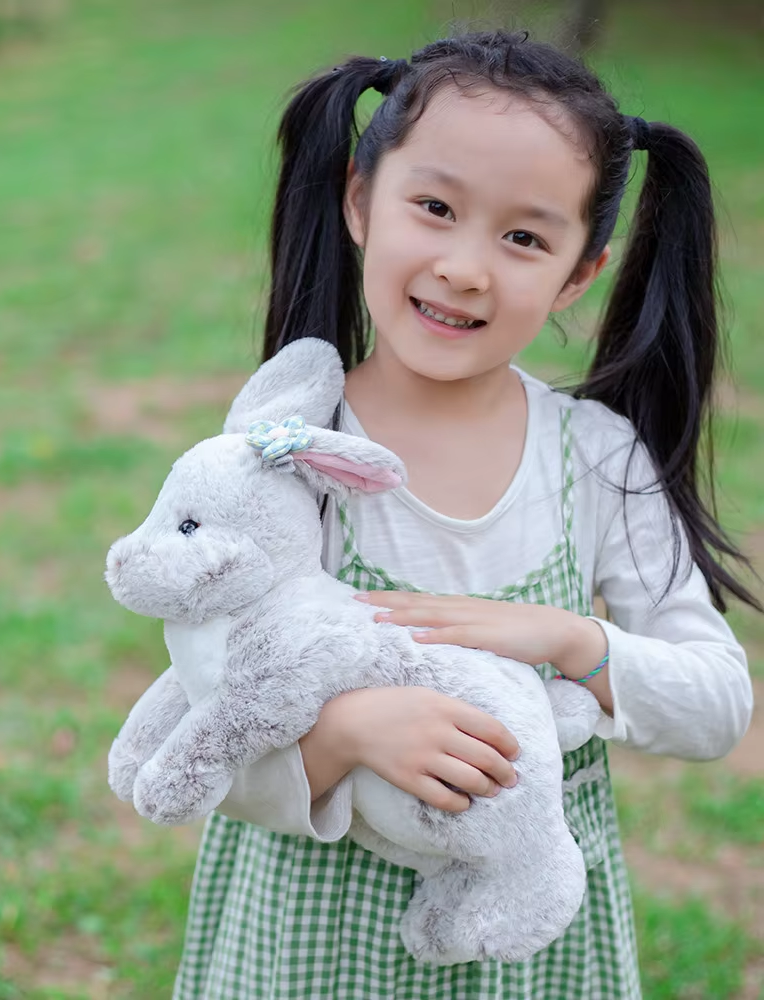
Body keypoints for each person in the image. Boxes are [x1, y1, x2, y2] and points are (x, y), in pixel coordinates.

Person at [171, 30, 756, 1000]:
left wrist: (571, 640)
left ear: (580, 271)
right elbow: (205, 724)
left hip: (528, 956)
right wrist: (345, 734)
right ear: (361, 199)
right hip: (308, 949)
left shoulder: (596, 460)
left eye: (523, 237)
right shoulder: (283, 454)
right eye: (434, 208)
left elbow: (715, 703)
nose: (466, 266)